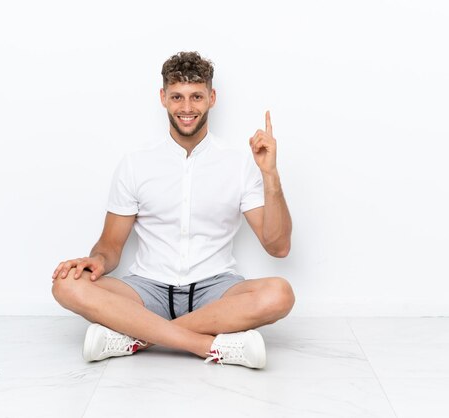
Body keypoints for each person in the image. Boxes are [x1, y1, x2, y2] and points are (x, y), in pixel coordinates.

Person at [51, 51, 294, 369]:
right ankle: (206, 345)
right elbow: (110, 246)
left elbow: (278, 247)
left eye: (197, 96)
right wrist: (95, 261)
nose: (187, 108)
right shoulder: (136, 162)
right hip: (146, 289)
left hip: (216, 289)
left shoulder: (238, 163)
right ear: (163, 97)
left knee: (280, 293)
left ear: (212, 98)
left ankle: (136, 338)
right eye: (177, 96)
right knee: (66, 284)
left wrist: (270, 174)